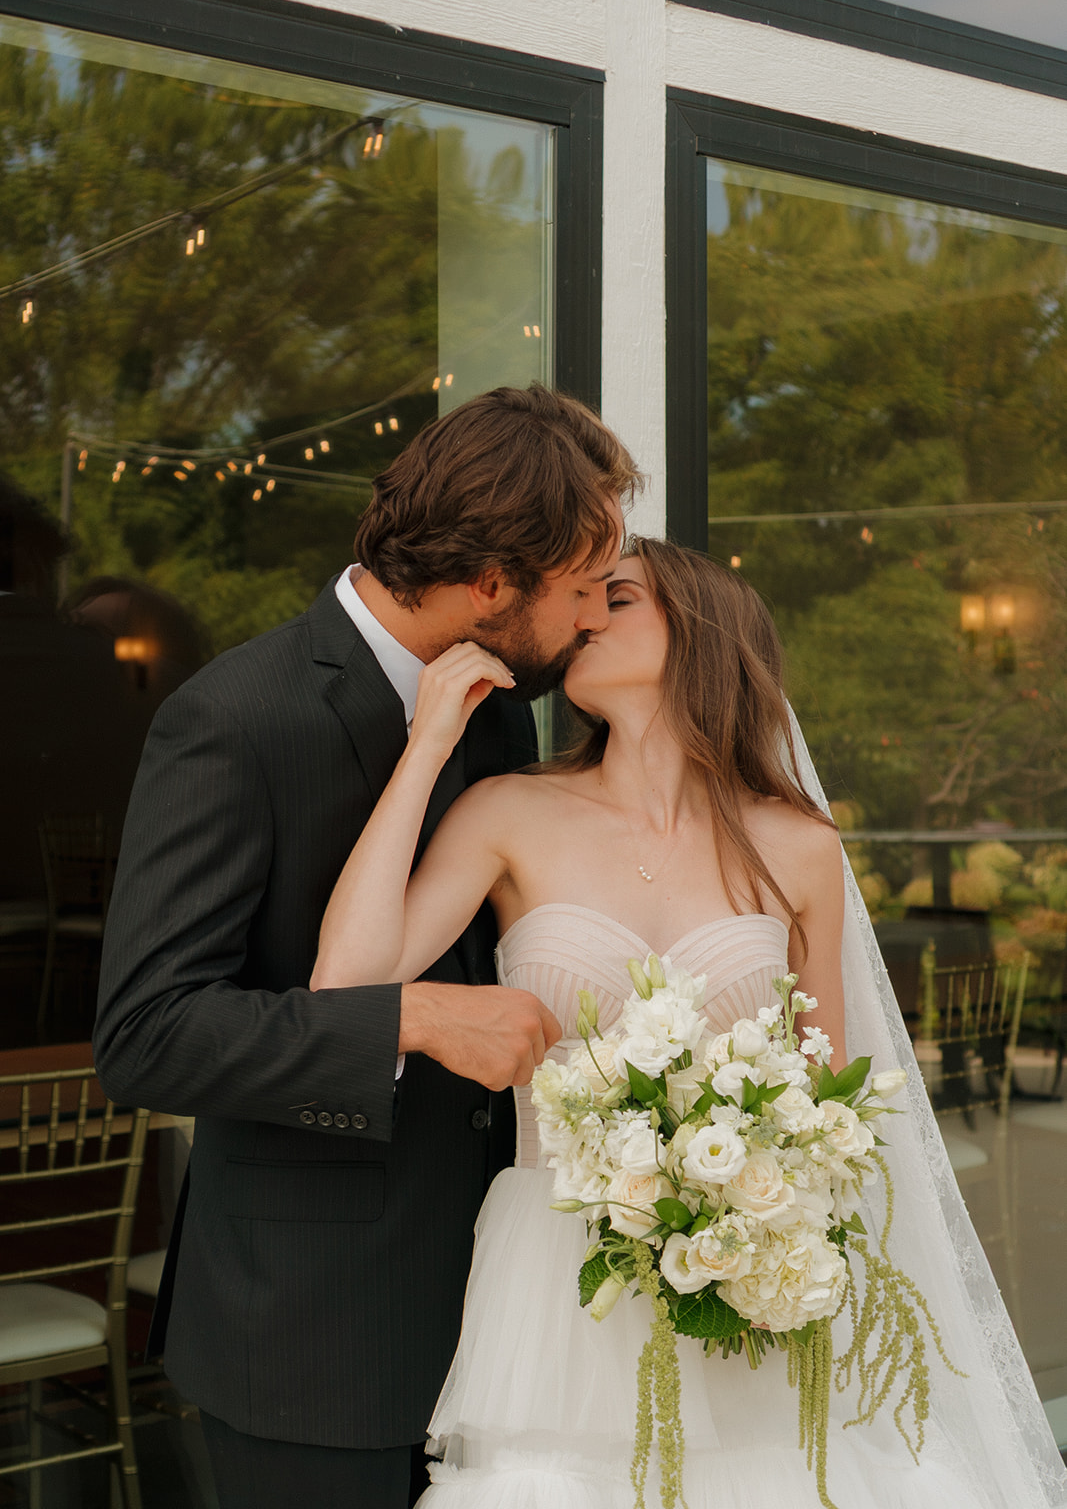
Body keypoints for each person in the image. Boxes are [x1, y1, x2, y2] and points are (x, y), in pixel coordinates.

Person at [312, 538, 1067, 1508]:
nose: (582, 615)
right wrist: (425, 748)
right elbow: (346, 978)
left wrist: (766, 1229)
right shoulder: (508, 811)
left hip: (744, 1285)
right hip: (556, 1282)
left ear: (698, 635)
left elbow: (831, 1105)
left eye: (615, 597)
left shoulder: (797, 846)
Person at [93, 384, 641, 1509]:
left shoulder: (501, 712)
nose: (594, 618)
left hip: (506, 1321)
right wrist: (418, 1016)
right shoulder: (234, 718)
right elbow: (147, 1034)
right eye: (583, 589)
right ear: (491, 583)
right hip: (311, 1335)